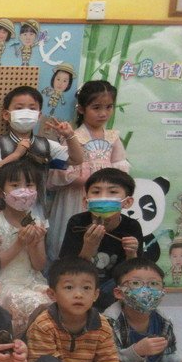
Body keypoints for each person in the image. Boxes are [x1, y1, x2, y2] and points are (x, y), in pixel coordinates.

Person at [0, 85, 83, 220]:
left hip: (36, 215)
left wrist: (69, 136)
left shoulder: (46, 144)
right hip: (0, 215)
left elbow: (76, 159)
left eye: (32, 108)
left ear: (39, 115)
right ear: (6, 115)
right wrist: (15, 155)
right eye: (19, 108)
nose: (26, 112)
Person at [46, 80, 130, 257]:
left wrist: (108, 189)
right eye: (96, 108)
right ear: (81, 109)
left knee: (103, 240)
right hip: (75, 197)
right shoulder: (72, 136)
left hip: (105, 199)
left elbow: (121, 170)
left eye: (108, 107)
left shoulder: (113, 137)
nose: (103, 113)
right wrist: (88, 183)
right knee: (74, 237)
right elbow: (61, 170)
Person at [58, 168, 142, 309]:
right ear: (86, 201)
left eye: (112, 192)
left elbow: (135, 272)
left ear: (127, 202)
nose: (103, 197)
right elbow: (67, 269)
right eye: (96, 192)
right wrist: (88, 247)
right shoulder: (77, 222)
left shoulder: (132, 226)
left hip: (114, 285)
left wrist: (131, 253)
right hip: (81, 281)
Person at [0, 160, 51, 336]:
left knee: (53, 303)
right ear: (1, 192)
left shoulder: (38, 222)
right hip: (5, 283)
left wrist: (34, 244)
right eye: (15, 185)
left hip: (33, 281)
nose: (23, 191)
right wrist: (19, 244)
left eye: (29, 185)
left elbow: (39, 265)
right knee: (34, 304)